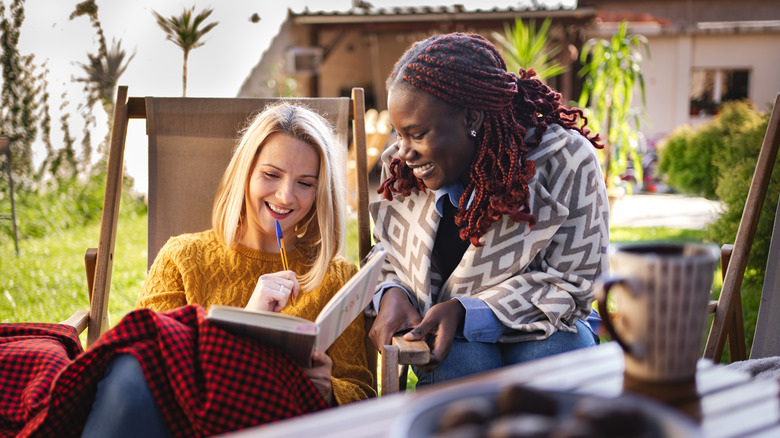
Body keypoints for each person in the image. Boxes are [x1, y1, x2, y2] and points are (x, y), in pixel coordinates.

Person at [0, 103, 374, 438]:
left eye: (305, 183)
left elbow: (363, 391)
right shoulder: (183, 256)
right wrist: (245, 321)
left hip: (280, 424)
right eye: (271, 175)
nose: (286, 196)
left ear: (320, 191)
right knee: (129, 376)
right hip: (181, 422)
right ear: (245, 174)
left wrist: (328, 389)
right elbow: (146, 360)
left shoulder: (337, 277)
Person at [367, 32, 609, 387]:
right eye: (398, 134)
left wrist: (470, 312)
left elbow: (577, 284)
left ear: (472, 118)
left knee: (545, 370)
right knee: (459, 367)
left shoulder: (565, 160)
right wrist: (391, 293)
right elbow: (388, 252)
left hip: (551, 330)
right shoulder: (403, 169)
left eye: (417, 134)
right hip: (454, 342)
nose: (403, 150)